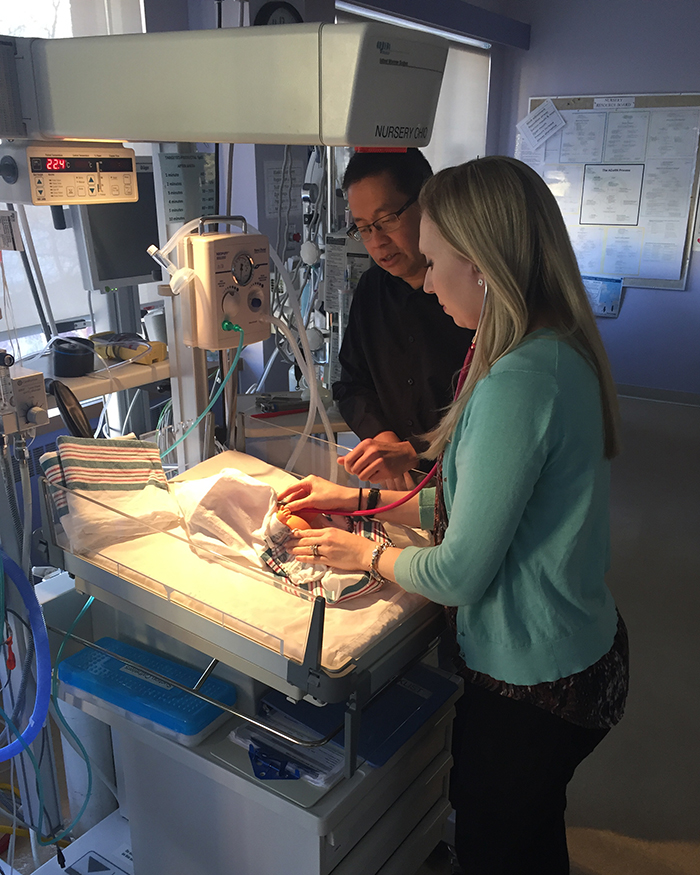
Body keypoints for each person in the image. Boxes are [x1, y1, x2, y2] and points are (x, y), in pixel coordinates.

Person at [279, 156, 629, 875]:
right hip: (580, 649)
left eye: (435, 261)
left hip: (537, 682)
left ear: (484, 265)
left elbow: (460, 572)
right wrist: (357, 500)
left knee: (500, 845)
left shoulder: (518, 382)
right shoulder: (545, 348)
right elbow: (481, 501)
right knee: (532, 833)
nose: (428, 281)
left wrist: (362, 553)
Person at [332, 148, 473, 487]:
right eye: (364, 229)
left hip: (468, 476)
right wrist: (383, 440)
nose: (377, 242)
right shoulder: (372, 289)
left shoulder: (471, 295)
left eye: (386, 221)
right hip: (401, 483)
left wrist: (414, 450)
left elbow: (490, 410)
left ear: (427, 203)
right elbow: (351, 385)